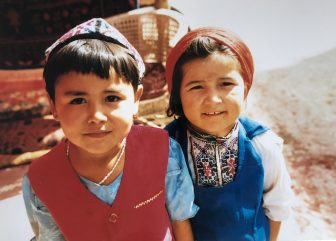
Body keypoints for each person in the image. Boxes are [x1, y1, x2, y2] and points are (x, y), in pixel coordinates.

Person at [22, 18, 198, 241]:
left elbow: (180, 221)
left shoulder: (165, 152)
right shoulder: (41, 180)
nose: (96, 116)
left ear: (136, 100)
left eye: (112, 98)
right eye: (77, 100)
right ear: (53, 106)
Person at [164, 27, 294, 241]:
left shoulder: (263, 144)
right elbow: (175, 214)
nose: (213, 99)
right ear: (177, 95)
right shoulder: (169, 147)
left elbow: (277, 207)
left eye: (226, 84)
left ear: (245, 87)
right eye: (197, 87)